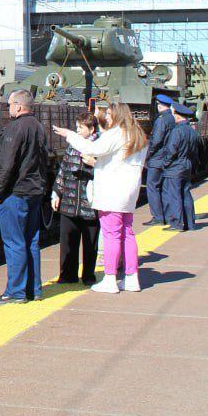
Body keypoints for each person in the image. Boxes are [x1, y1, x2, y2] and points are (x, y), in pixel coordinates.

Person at [53, 102, 148, 293]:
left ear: (118, 115)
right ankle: (131, 277)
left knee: (111, 234)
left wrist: (69, 135)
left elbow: (93, 148)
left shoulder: (117, 133)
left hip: (112, 192)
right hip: (129, 192)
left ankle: (110, 278)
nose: (108, 118)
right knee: (127, 234)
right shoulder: (139, 136)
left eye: (110, 114)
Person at [0, 89, 50, 304]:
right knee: (31, 240)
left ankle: (15, 292)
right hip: (34, 191)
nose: (9, 108)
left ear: (19, 106)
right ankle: (34, 289)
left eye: (10, 105)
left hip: (16, 192)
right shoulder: (39, 127)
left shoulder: (15, 128)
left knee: (14, 242)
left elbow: (6, 163)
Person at [52, 111, 101, 285]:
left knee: (90, 243)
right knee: (67, 242)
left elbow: (109, 172)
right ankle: (67, 275)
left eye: (81, 127)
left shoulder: (101, 147)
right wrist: (56, 192)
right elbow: (63, 168)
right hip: (70, 202)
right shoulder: (73, 145)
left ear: (91, 128)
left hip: (90, 205)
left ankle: (88, 275)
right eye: (77, 127)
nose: (77, 130)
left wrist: (93, 165)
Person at [156, 104, 200, 230]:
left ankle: (176, 223)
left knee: (173, 195)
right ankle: (190, 223)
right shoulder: (191, 131)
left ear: (177, 115)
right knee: (186, 194)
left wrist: (165, 163)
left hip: (175, 167)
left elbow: (171, 151)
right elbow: (195, 152)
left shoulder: (177, 131)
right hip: (186, 165)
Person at [141, 95, 176, 227]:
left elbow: (156, 140)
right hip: (167, 157)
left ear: (160, 105)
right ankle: (167, 215)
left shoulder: (161, 120)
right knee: (164, 187)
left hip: (157, 158)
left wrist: (149, 152)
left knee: (152, 187)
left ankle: (157, 216)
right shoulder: (171, 118)